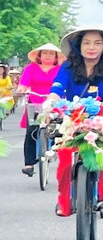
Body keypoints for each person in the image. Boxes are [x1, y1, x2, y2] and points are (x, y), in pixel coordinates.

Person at [48, 28, 103, 217]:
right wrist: (50, 103)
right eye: (86, 42)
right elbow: (57, 88)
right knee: (64, 159)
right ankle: (64, 200)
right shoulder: (68, 66)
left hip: (101, 118)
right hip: (73, 117)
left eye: (98, 43)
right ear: (78, 46)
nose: (92, 47)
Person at [15, 42, 62, 176]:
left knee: (61, 129)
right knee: (32, 131)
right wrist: (21, 90)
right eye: (45, 53)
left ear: (56, 57)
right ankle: (29, 164)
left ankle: (59, 154)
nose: (48, 56)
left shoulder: (60, 69)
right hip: (35, 103)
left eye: (51, 53)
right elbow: (23, 84)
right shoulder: (31, 68)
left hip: (55, 104)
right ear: (39, 56)